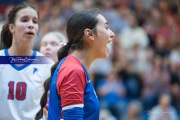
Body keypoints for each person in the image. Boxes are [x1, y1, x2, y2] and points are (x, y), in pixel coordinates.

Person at [36, 9, 115, 120]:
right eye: (106, 27)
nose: (112, 34)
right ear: (90, 34)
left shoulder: (74, 68)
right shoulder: (73, 70)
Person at [0, 3, 53, 120]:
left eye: (35, 21)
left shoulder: (47, 64)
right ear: (11, 27)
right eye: (24, 20)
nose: (31, 25)